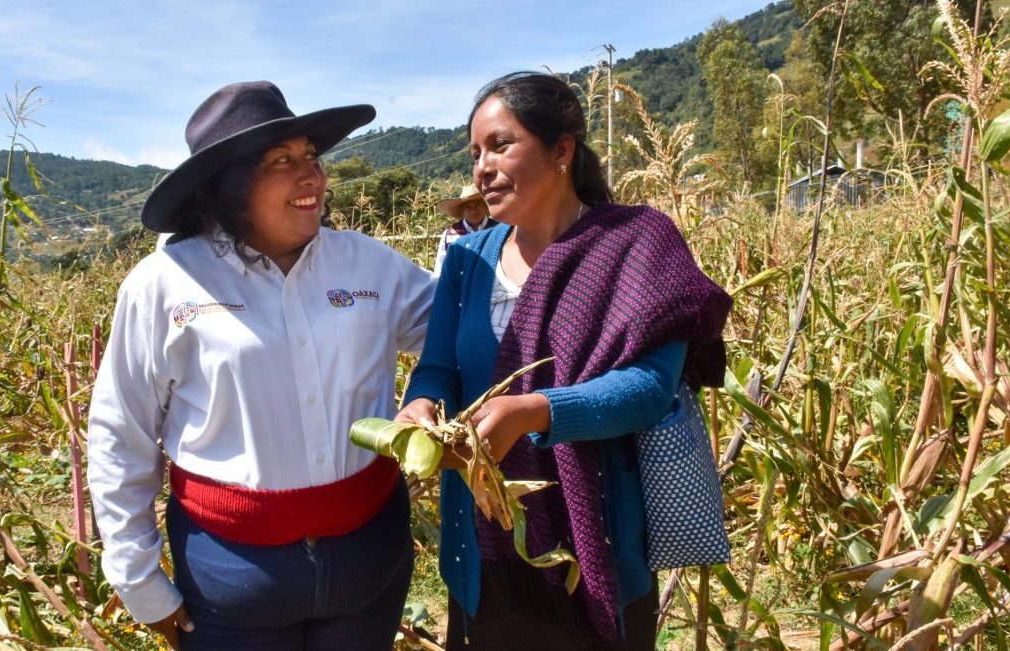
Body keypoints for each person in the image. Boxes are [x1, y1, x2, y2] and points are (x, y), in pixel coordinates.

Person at [87, 81, 436, 650]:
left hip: (369, 558)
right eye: (281, 161)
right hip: (229, 574)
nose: (312, 177)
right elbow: (119, 432)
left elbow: (456, 333)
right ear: (229, 185)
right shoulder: (166, 283)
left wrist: (427, 394)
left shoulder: (370, 266)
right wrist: (139, 580)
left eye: (312, 158)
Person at [395, 71, 732, 650]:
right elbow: (439, 368)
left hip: (597, 531)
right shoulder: (467, 261)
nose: (482, 167)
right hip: (483, 535)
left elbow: (650, 387)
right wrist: (419, 404)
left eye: (501, 145)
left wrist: (534, 410)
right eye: (475, 153)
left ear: (561, 150)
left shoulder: (638, 242)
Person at [431, 183, 494, 276]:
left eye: (477, 204)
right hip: (459, 288)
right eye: (468, 206)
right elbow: (440, 269)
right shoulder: (449, 235)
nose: (473, 210)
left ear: (485, 206)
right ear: (462, 210)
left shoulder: (499, 229)